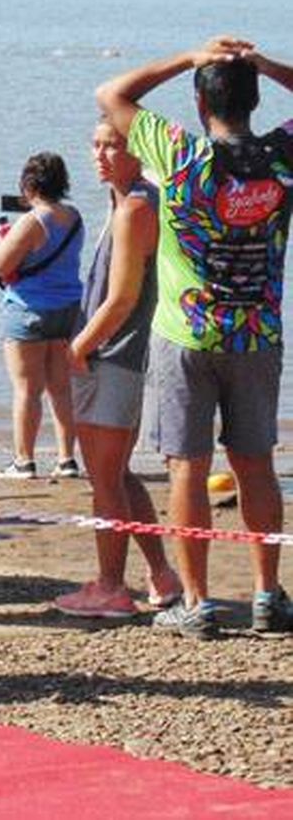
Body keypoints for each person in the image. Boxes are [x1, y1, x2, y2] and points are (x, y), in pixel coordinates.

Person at [96, 36, 293, 638]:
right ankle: (266, 594)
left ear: (201, 104)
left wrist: (189, 58)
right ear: (255, 100)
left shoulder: (181, 153)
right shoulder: (282, 155)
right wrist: (261, 64)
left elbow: (112, 94)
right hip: (256, 332)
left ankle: (199, 601)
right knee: (255, 463)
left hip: (185, 334)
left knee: (187, 466)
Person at [53, 121, 182, 619]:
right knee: (118, 474)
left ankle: (111, 587)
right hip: (117, 356)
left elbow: (123, 297)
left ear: (139, 151)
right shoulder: (127, 201)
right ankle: (161, 574)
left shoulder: (136, 207)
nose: (101, 154)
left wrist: (78, 348)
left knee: (104, 479)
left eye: (114, 144)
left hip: (114, 356)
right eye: (96, 143)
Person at [0, 152, 84, 482]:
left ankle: (24, 461)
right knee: (61, 387)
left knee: (26, 389)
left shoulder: (31, 221)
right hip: (68, 309)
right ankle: (67, 458)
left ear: (28, 185)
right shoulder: (74, 216)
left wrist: (1, 238)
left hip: (29, 310)